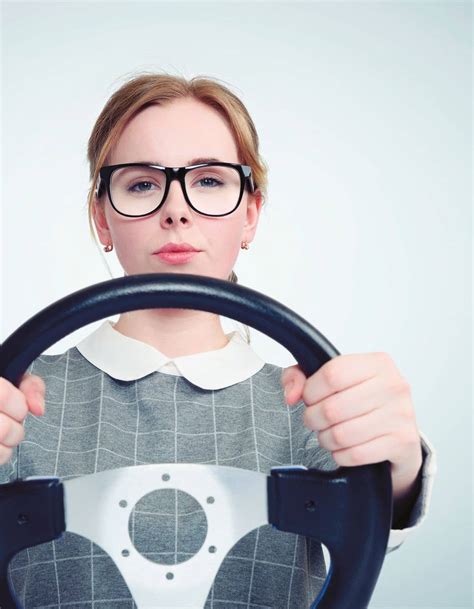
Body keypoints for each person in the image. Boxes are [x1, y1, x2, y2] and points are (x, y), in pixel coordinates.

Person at [0, 72, 436, 609]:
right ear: (102, 218)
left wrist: (397, 467)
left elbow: (376, 518)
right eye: (141, 185)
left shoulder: (313, 409)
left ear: (250, 215)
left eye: (208, 181)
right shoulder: (16, 400)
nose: (176, 210)